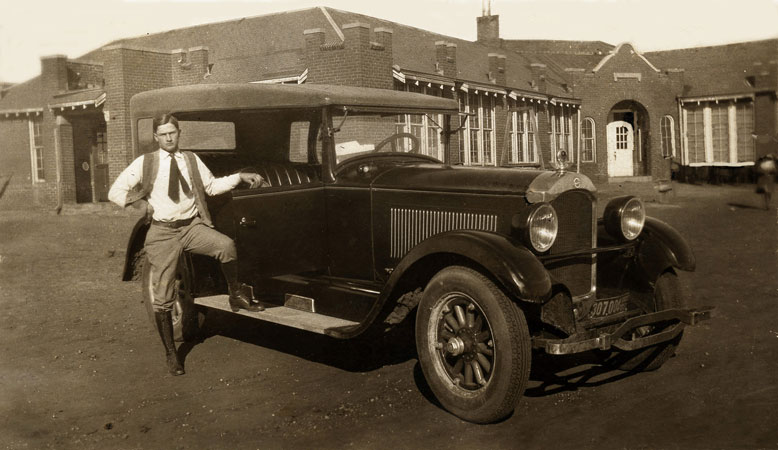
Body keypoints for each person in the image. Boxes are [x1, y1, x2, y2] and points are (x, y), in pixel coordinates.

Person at [108, 113, 265, 376]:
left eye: (173, 133)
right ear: (156, 137)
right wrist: (140, 203)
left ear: (179, 133)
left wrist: (239, 176)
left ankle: (235, 295)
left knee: (226, 246)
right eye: (164, 134)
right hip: (162, 233)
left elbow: (212, 187)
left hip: (191, 227)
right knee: (163, 298)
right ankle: (172, 353)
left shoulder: (190, 159)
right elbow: (114, 192)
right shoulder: (145, 162)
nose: (169, 138)